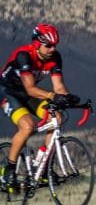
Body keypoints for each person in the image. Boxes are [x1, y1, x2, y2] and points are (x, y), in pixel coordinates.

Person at [0, 24, 77, 192]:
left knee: (56, 117)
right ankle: (9, 170)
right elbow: (30, 88)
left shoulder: (55, 58)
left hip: (30, 95)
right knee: (27, 126)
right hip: (8, 93)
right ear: (36, 43)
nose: (52, 49)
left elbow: (58, 87)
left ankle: (42, 167)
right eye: (48, 45)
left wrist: (70, 98)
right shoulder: (23, 56)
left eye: (55, 45)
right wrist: (52, 97)